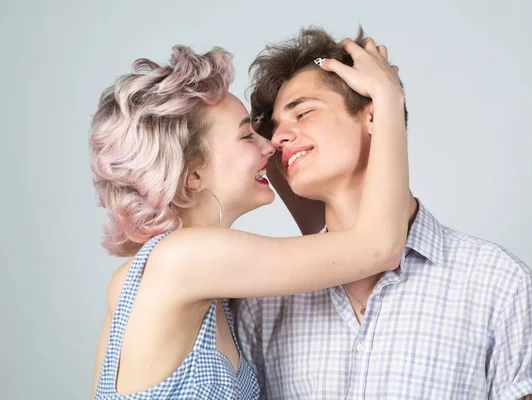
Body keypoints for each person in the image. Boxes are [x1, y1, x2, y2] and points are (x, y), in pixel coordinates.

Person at [234, 27, 532, 400]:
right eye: (273, 128)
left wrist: (388, 93)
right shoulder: (266, 302)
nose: (277, 139)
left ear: (374, 115)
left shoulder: (498, 284)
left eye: (303, 112)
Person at [90, 42, 409, 399]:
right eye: (247, 135)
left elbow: (323, 239)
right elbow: (378, 247)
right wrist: (386, 99)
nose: (271, 145)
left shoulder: (163, 276)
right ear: (193, 175)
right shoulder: (188, 259)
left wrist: (292, 143)